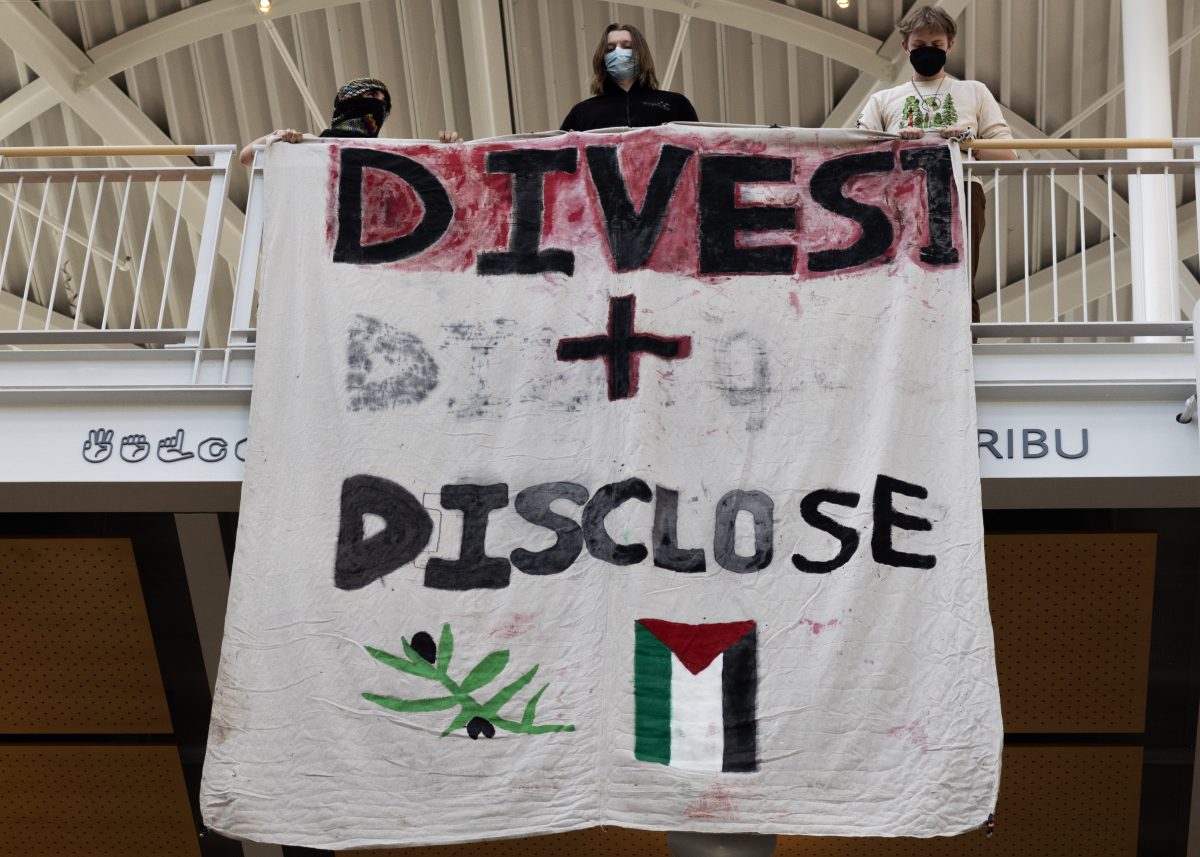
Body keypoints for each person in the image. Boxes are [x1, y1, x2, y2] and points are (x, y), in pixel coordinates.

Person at [854, 5, 1016, 325]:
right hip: (902, 193)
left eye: (936, 46)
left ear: (949, 45)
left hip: (962, 187)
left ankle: (964, 347)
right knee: (902, 274)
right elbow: (857, 153)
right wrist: (895, 141)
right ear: (905, 47)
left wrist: (969, 143)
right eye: (918, 47)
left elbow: (1009, 155)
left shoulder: (973, 91)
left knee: (958, 274)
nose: (927, 52)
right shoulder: (883, 100)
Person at [239, 78, 458, 166]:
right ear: (348, 101)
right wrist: (278, 136)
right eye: (371, 96)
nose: (377, 107)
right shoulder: (311, 144)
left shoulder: (388, 154)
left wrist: (453, 154)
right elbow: (247, 157)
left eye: (383, 103)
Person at [559, 24, 698, 132]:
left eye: (627, 46)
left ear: (641, 53)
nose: (618, 52)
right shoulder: (583, 112)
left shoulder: (676, 103)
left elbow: (699, 151)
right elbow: (561, 161)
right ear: (602, 58)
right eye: (610, 48)